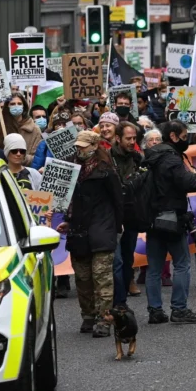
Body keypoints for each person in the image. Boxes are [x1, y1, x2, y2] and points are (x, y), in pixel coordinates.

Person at [58, 131, 123, 337]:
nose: (80, 149)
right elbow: (63, 199)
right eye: (78, 146)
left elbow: (117, 201)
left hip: (102, 229)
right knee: (83, 278)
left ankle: (104, 320)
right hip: (78, 231)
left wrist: (116, 226)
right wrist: (66, 220)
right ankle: (88, 315)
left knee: (102, 278)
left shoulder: (106, 170)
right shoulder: (69, 168)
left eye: (84, 146)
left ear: (95, 146)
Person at [144, 120, 196, 324]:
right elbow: (187, 183)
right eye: (183, 135)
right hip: (172, 218)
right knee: (182, 264)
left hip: (152, 218)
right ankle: (179, 309)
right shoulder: (171, 159)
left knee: (153, 267)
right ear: (173, 136)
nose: (185, 139)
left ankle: (155, 310)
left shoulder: (151, 156)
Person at [111, 122, 144, 305]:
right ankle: (118, 302)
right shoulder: (108, 158)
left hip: (131, 215)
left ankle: (122, 298)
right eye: (128, 138)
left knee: (128, 258)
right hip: (114, 217)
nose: (132, 142)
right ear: (118, 138)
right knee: (117, 261)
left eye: (134, 138)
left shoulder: (138, 159)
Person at [0, 94, 43, 166]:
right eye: (12, 104)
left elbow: (37, 156)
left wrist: (18, 156)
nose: (16, 106)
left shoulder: (34, 129)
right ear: (7, 106)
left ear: (24, 106)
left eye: (19, 104)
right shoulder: (0, 126)